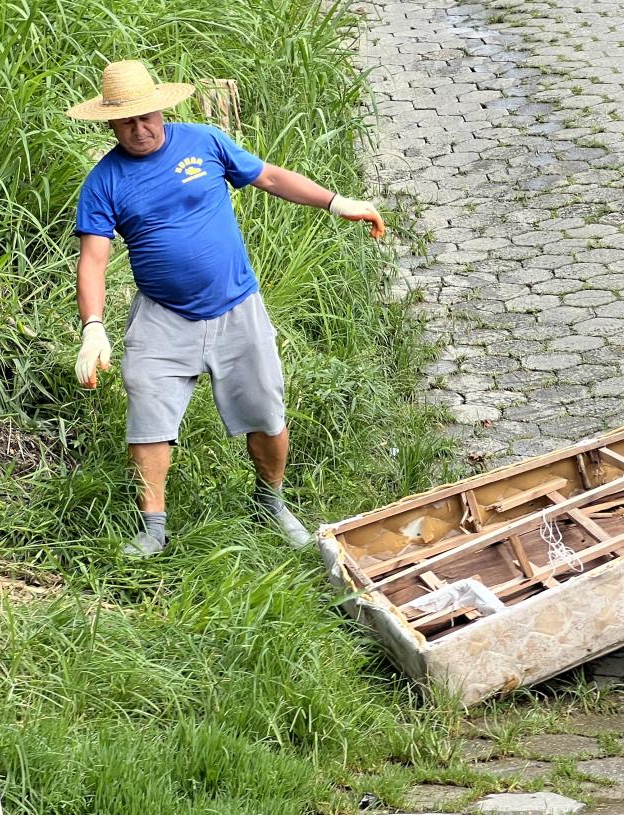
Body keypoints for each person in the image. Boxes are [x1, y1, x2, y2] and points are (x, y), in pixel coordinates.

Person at [67, 60, 386, 556]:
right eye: (126, 121)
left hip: (238, 306)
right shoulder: (104, 181)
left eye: (145, 116)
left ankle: (270, 502)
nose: (139, 128)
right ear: (110, 123)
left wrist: (336, 202)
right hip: (162, 317)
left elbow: (271, 177)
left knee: (267, 415)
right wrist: (93, 327)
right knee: (147, 419)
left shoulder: (204, 141)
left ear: (160, 110)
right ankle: (152, 529)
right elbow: (93, 260)